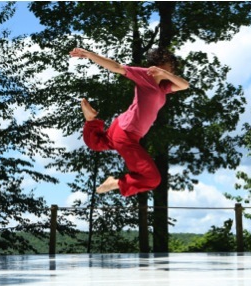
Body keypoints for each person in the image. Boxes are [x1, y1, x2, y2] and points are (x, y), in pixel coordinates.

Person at [69, 47, 189, 197]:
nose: (172, 70)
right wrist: (89, 55)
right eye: (169, 65)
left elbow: (184, 85)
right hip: (127, 132)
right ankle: (116, 183)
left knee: (97, 143)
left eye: (172, 68)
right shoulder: (145, 76)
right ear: (158, 63)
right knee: (152, 179)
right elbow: (117, 67)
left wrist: (164, 73)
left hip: (122, 127)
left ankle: (90, 120)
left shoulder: (163, 87)